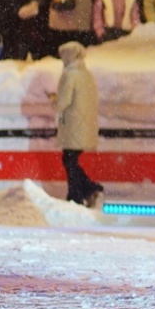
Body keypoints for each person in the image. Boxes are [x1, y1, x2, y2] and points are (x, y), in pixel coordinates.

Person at [53, 41, 102, 207]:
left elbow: (63, 102)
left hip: (73, 124)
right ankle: (85, 189)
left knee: (69, 160)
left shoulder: (69, 74)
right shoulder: (86, 74)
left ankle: (78, 194)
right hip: (85, 124)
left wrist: (54, 100)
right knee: (70, 159)